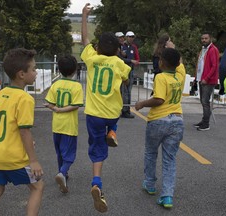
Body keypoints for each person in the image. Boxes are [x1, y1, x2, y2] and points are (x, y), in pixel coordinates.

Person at [81, 3, 131, 213]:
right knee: (111, 128)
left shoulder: (92, 60)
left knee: (97, 149)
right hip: (112, 112)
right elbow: (127, 81)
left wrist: (84, 17)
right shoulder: (120, 64)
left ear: (98, 48)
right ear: (118, 49)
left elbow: (85, 40)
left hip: (93, 113)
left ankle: (97, 183)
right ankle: (112, 132)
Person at [0, 48, 44, 216]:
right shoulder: (24, 99)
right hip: (12, 157)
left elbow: (8, 126)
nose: (36, 72)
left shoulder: (1, 94)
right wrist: (33, 161)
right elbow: (24, 131)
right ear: (21, 74)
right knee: (37, 187)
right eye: (33, 69)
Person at [135, 48, 186, 209]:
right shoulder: (180, 75)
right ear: (177, 63)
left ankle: (150, 184)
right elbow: (180, 61)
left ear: (162, 62)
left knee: (151, 153)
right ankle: (167, 196)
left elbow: (159, 99)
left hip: (158, 120)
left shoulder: (161, 77)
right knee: (169, 159)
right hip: (177, 121)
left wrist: (142, 103)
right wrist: (173, 46)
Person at [44, 55, 84, 193]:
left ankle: (62, 174)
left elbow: (50, 102)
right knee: (70, 153)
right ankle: (62, 172)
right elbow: (75, 105)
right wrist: (61, 109)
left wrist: (53, 108)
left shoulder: (55, 85)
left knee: (60, 152)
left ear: (59, 70)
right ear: (74, 70)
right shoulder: (77, 86)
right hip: (69, 126)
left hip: (57, 125)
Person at [194, 32, 219, 131]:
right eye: (202, 38)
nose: (204, 40)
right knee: (203, 101)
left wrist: (206, 78)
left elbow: (214, 66)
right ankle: (204, 120)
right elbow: (200, 64)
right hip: (202, 79)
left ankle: (206, 124)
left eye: (206, 38)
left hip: (208, 80)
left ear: (210, 39)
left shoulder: (213, 50)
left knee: (205, 102)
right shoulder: (203, 49)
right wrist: (196, 77)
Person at [121, 30, 140, 118]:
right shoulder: (121, 46)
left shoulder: (134, 47)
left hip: (131, 71)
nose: (131, 38)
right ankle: (124, 110)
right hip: (123, 71)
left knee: (128, 91)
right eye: (130, 36)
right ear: (126, 37)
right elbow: (119, 59)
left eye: (132, 37)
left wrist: (135, 62)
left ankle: (127, 110)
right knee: (124, 91)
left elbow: (137, 58)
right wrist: (130, 60)